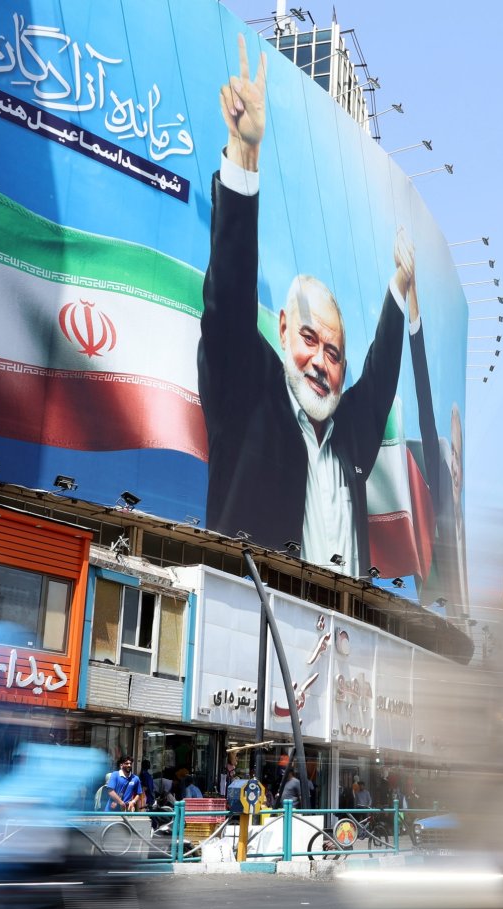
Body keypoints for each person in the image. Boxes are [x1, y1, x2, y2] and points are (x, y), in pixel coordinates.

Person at [200, 34, 426, 571]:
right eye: (309, 338)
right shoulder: (247, 390)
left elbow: (380, 375)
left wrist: (400, 285)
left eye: (333, 352)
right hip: (257, 623)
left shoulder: (351, 434)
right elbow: (229, 299)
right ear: (281, 330)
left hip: (347, 635)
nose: (321, 362)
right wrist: (245, 158)